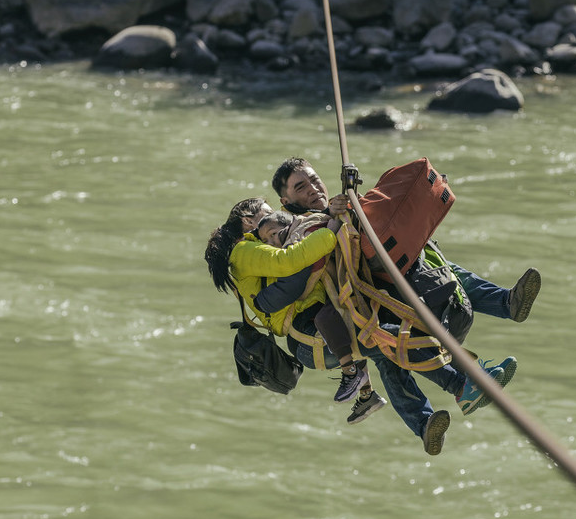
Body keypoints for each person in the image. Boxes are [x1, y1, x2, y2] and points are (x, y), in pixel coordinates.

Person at [206, 197, 516, 454]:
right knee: (385, 337)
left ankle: (424, 422)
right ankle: (464, 384)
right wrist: (331, 228)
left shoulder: (267, 240)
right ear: (248, 221)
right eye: (263, 211)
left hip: (321, 328)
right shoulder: (244, 250)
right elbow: (291, 262)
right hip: (310, 336)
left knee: (385, 351)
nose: (272, 213)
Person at [271, 157, 541, 324]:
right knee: (437, 267)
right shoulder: (291, 224)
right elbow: (309, 248)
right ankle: (505, 305)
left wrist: (351, 196)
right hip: (365, 290)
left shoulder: (333, 205)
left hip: (382, 265)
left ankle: (506, 303)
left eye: (314, 181)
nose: (313, 188)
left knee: (441, 263)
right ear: (286, 201)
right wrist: (333, 213)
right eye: (301, 187)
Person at [253, 210, 370, 403]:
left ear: (288, 223)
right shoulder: (298, 235)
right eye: (267, 240)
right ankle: (366, 392)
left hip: (344, 286)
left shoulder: (303, 232)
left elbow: (313, 261)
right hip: (337, 287)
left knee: (325, 319)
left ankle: (351, 372)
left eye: (273, 234)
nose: (273, 242)